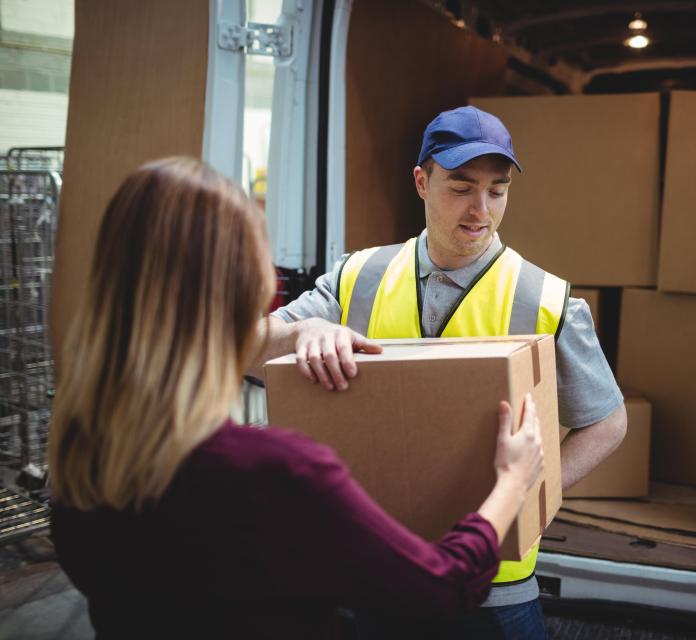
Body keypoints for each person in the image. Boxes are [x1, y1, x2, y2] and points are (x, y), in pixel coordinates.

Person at [47, 157, 545, 640]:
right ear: (249, 291)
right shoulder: (278, 472)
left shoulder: (78, 454)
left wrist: (305, 327)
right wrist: (512, 482)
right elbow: (442, 585)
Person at [255, 105, 628, 638]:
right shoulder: (358, 276)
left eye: (497, 190)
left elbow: (608, 422)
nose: (481, 209)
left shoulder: (545, 298)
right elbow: (238, 352)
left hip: (494, 589)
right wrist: (298, 333)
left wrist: (534, 493)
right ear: (421, 182)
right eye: (461, 187)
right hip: (371, 568)